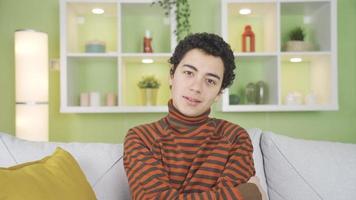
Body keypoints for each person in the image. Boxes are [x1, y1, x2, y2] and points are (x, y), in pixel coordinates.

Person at [124, 33, 262, 199]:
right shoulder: (140, 138)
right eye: (189, 73)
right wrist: (247, 194)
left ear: (219, 93)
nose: (196, 87)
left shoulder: (235, 138)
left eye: (210, 81)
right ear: (171, 77)